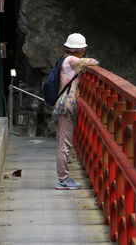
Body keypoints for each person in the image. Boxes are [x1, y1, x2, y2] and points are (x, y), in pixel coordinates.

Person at [53, 33, 98, 190]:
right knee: (64, 144)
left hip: (62, 105)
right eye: (83, 49)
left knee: (63, 142)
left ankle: (63, 178)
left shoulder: (63, 59)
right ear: (80, 49)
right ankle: (63, 180)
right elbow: (93, 62)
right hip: (66, 105)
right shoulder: (72, 60)